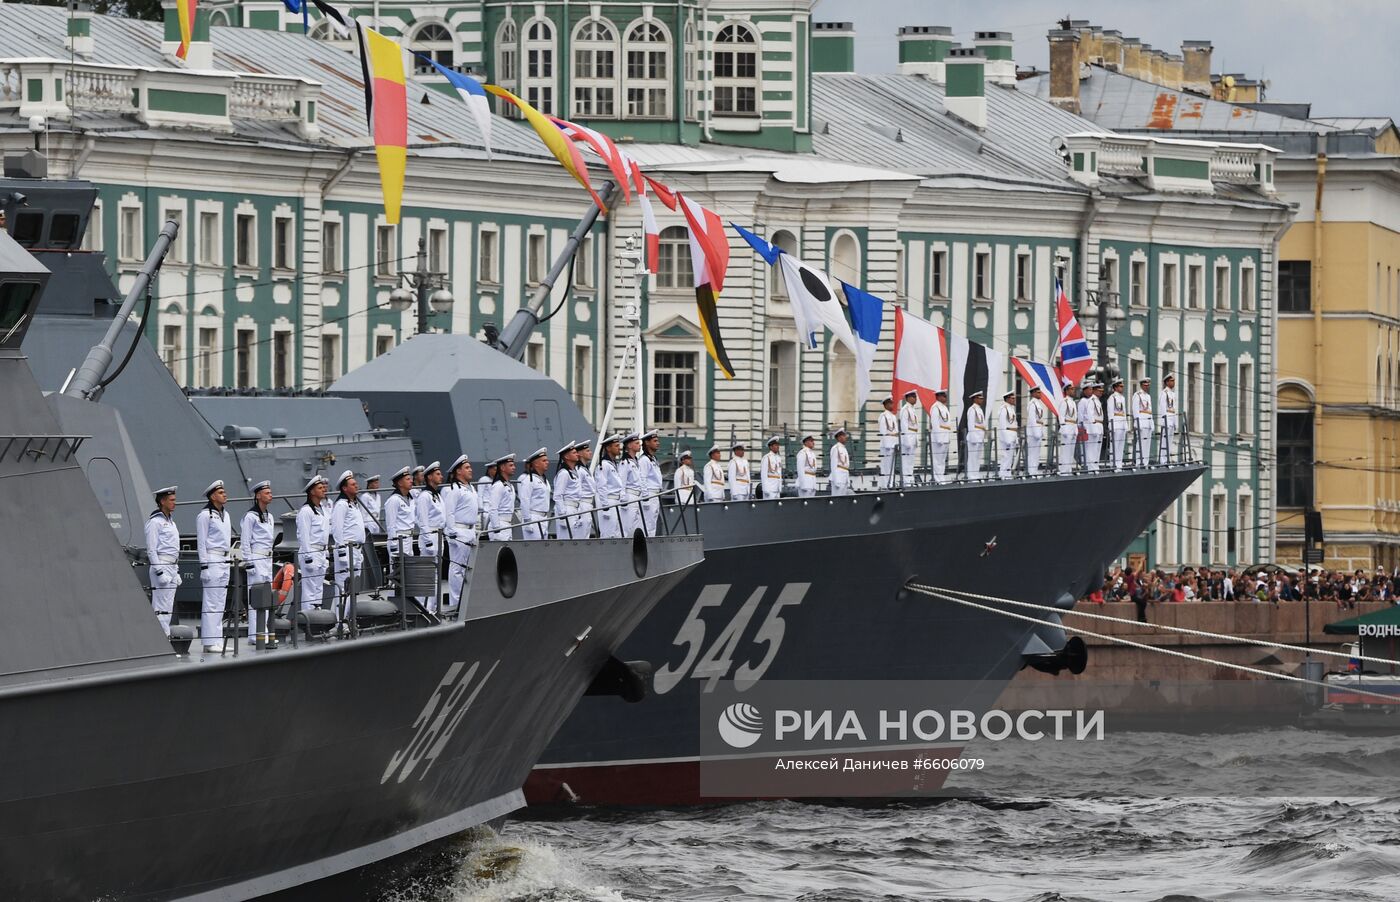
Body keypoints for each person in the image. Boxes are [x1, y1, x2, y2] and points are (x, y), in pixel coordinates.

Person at [196, 480, 232, 653]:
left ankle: (217, 639)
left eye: (224, 492)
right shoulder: (205, 515)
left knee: (220, 602)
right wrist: (204, 566)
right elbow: (201, 542)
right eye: (220, 492)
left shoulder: (225, 514)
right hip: (212, 559)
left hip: (225, 560)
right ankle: (209, 642)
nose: (224, 494)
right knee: (211, 602)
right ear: (212, 496)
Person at [240, 479, 277, 644]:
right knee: (256, 596)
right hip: (256, 557)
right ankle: (255, 634)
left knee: (266, 597)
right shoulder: (250, 517)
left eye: (270, 492)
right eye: (267, 493)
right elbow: (245, 541)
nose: (271, 495)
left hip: (268, 558)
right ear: (258, 495)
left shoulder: (269, 516)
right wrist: (249, 561)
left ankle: (264, 631)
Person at [330, 470, 369, 619]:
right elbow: (337, 529)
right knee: (343, 586)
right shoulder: (341, 505)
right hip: (346, 549)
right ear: (344, 488)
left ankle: (349, 618)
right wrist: (341, 553)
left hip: (356, 550)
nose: (356, 486)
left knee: (353, 586)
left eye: (356, 483)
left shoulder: (353, 504)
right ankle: (340, 620)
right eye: (353, 484)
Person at [145, 485, 181, 635]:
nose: (174, 503)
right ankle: (161, 638)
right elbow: (151, 549)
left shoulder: (171, 522)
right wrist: (159, 571)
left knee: (168, 606)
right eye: (171, 500)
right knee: (160, 606)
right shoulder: (154, 522)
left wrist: (176, 571)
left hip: (172, 567)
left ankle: (165, 637)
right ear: (162, 501)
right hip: (162, 565)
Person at [445, 455, 478, 611]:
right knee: (457, 568)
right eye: (467, 467)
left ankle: (465, 601)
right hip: (459, 531)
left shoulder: (471, 488)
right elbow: (449, 512)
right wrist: (451, 534)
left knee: (467, 568)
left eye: (470, 467)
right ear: (458, 471)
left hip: (471, 531)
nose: (470, 469)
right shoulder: (454, 490)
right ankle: (455, 602)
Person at [414, 461, 447, 611]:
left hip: (439, 535)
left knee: (435, 575)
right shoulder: (424, 496)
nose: (441, 476)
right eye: (438, 474)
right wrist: (428, 543)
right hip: (430, 537)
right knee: (428, 574)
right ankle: (424, 607)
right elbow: (422, 521)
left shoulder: (437, 495)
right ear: (429, 477)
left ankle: (432, 607)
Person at [296, 476, 331, 615]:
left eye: (323, 487)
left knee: (318, 588)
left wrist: (326, 554)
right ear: (312, 492)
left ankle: (318, 618)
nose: (324, 490)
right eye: (320, 488)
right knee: (309, 589)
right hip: (311, 551)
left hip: (321, 552)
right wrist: (308, 557)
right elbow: (303, 536)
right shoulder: (306, 511)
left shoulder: (322, 509)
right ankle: (308, 619)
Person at [383, 466, 416, 584]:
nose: (411, 481)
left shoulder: (410, 499)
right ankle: (395, 600)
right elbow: (391, 525)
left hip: (409, 538)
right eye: (407, 479)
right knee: (397, 575)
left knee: (408, 573)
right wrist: (393, 545)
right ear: (400, 483)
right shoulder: (394, 500)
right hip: (399, 539)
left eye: (410, 478)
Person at [518, 447, 552, 540]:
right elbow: (525, 500)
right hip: (533, 518)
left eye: (547, 460)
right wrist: (527, 521)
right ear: (536, 464)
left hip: (544, 518)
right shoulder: (529, 480)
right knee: (534, 549)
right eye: (544, 461)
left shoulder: (544, 480)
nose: (547, 462)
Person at [553, 442, 584, 538]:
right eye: (574, 453)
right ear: (566, 456)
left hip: (575, 509)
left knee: (575, 538)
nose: (577, 454)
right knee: (566, 538)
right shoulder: (564, 473)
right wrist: (562, 515)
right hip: (567, 509)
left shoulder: (573, 472)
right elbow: (558, 495)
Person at [595, 437, 623, 537]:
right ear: (608, 448)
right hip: (609, 501)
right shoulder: (603, 465)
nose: (619, 448)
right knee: (607, 533)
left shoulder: (613, 464)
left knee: (617, 533)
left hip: (616, 501)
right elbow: (601, 487)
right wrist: (605, 507)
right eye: (616, 446)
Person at [619, 433, 644, 536]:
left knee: (637, 528)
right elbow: (621, 482)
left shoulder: (635, 462)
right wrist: (623, 501)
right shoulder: (625, 463)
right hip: (630, 498)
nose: (640, 445)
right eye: (637, 443)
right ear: (629, 446)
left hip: (638, 497)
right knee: (626, 528)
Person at [489, 454, 518, 541]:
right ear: (502, 468)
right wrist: (496, 528)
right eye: (511, 465)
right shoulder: (498, 485)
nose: (514, 467)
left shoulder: (509, 485)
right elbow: (493, 508)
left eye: (513, 465)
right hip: (500, 525)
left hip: (507, 524)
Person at [640, 430, 664, 535]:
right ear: (647, 443)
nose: (658, 443)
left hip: (655, 494)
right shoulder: (644, 460)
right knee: (647, 524)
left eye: (657, 441)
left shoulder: (653, 459)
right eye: (655, 441)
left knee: (652, 524)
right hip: (649, 495)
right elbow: (642, 479)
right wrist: (645, 499)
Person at [929, 389, 954, 485]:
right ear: (938, 397)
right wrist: (939, 438)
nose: (945, 398)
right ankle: (937, 478)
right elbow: (935, 424)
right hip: (938, 437)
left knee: (942, 459)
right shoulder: (935, 408)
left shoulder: (944, 408)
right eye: (944, 396)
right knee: (937, 459)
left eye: (945, 396)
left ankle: (941, 477)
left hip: (945, 435)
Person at [575, 441, 597, 538]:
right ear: (580, 454)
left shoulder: (585, 469)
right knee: (581, 534)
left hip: (588, 505)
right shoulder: (579, 470)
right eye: (587, 451)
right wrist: (578, 511)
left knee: (586, 533)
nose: (590, 452)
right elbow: (577, 490)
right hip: (582, 504)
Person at [1081, 381, 1105, 472]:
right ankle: (1091, 467)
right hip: (1094, 427)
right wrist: (1093, 428)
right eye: (1099, 391)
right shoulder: (1091, 401)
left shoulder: (1098, 401)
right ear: (1094, 391)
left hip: (1099, 426)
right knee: (1091, 448)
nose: (1101, 392)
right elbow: (1090, 416)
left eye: (1101, 391)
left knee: (1097, 448)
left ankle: (1095, 466)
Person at [898, 390, 920, 485]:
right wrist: (907, 441)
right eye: (913, 396)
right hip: (908, 438)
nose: (915, 398)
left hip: (913, 437)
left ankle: (910, 479)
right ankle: (906, 481)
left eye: (915, 396)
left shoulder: (912, 410)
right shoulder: (905, 409)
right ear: (907, 398)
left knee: (911, 461)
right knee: (906, 461)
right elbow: (904, 426)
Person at [965, 390, 988, 480]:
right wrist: (974, 438)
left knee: (978, 457)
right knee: (972, 457)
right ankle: (971, 476)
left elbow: (982, 425)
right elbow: (971, 425)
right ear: (975, 399)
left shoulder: (979, 409)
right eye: (980, 398)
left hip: (980, 436)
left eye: (982, 398)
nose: (982, 400)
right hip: (974, 437)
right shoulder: (972, 409)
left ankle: (976, 474)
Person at [1107, 378, 1129, 471]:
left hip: (1122, 424)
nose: (1122, 388)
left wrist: (1126, 425)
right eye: (1120, 386)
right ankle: (1114, 464)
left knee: (1121, 445)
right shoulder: (1112, 398)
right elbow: (1110, 413)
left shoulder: (1122, 398)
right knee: (1114, 446)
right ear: (1115, 387)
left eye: (1122, 386)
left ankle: (1119, 465)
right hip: (1115, 424)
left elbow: (1124, 413)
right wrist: (1112, 426)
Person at [996, 389, 1019, 479]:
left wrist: (1015, 438)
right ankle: (1003, 474)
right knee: (1005, 456)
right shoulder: (1003, 409)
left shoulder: (1011, 409)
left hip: (1012, 435)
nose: (1014, 400)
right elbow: (1002, 425)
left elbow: (1014, 424)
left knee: (1010, 457)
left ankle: (1007, 474)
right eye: (1012, 398)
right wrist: (1006, 438)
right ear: (1008, 399)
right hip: (1006, 437)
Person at [1026, 386, 1048, 476]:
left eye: (1040, 392)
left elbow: (1040, 419)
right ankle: (1031, 472)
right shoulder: (1032, 404)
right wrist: (1036, 433)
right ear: (1033, 393)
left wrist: (1041, 432)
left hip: (1038, 431)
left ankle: (1034, 470)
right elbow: (1032, 419)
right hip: (1033, 432)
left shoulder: (1038, 404)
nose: (1040, 394)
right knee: (1032, 453)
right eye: (1038, 392)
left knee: (1037, 453)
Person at [1132, 377, 1154, 468]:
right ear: (1141, 385)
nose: (1146, 387)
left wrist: (1152, 423)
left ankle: (1145, 462)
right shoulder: (1137, 395)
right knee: (1140, 443)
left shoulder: (1148, 396)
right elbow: (1135, 410)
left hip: (1148, 422)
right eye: (1145, 385)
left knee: (1147, 444)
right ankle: (1139, 462)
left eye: (1148, 385)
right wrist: (1137, 423)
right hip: (1141, 421)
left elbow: (1150, 410)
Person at [1058, 382, 1080, 476]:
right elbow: (1061, 416)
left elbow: (1075, 417)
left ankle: (1069, 469)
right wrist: (1063, 428)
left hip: (1073, 427)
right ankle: (1063, 470)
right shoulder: (1064, 402)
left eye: (1073, 389)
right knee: (1065, 450)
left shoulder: (1073, 402)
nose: (1073, 391)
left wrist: (1075, 429)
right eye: (1071, 389)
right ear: (1066, 390)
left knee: (1071, 451)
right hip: (1067, 426)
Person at [877, 396, 898, 489]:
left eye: (892, 403)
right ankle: (885, 484)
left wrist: (896, 444)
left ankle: (890, 482)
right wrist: (887, 445)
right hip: (887, 445)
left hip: (893, 444)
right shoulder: (883, 417)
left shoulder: (893, 416)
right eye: (890, 403)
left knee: (891, 466)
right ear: (885, 405)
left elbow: (896, 432)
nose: (892, 405)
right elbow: (883, 432)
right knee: (885, 466)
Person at [1158, 372, 1179, 465]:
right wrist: (1164, 421)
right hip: (1166, 420)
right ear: (1167, 382)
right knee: (1164, 441)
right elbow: (1163, 408)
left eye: (1173, 381)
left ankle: (1167, 459)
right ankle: (1163, 460)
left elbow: (1174, 409)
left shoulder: (1173, 394)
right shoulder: (1164, 393)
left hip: (1172, 419)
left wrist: (1175, 423)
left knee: (1170, 441)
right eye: (1171, 381)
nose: (1173, 382)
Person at [829, 428, 852, 495]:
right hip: (838, 477)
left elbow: (846, 466)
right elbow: (833, 465)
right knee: (837, 498)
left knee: (843, 499)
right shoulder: (835, 448)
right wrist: (836, 480)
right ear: (839, 437)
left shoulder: (844, 448)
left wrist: (847, 479)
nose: (845, 437)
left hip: (844, 477)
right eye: (844, 436)